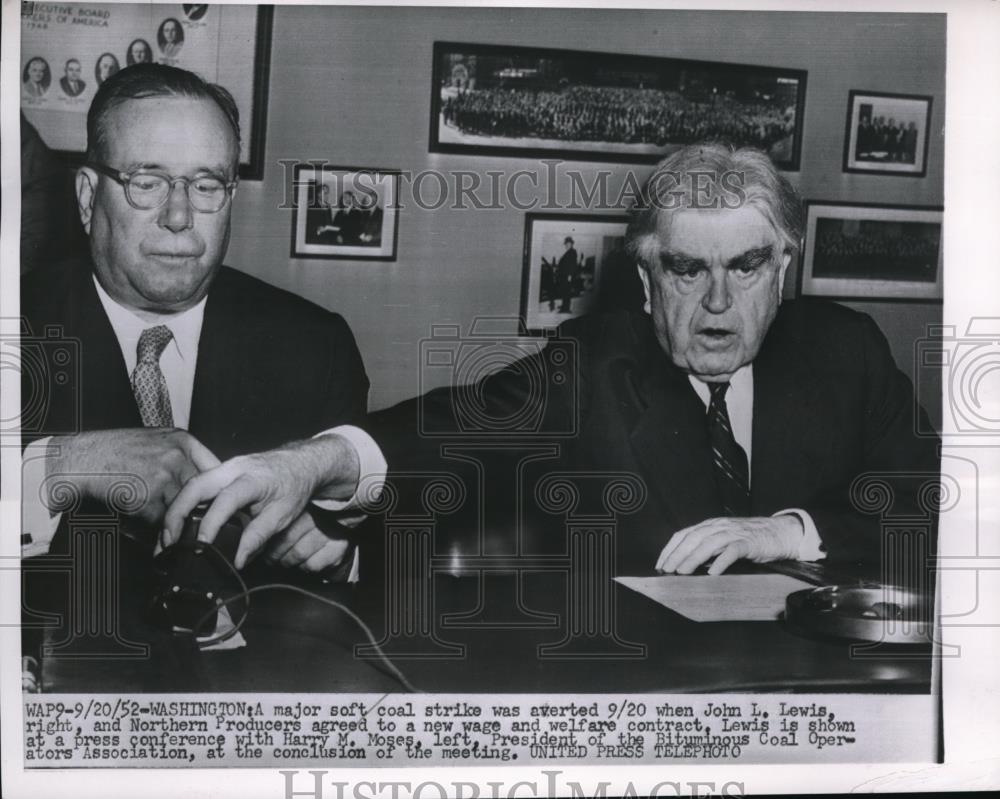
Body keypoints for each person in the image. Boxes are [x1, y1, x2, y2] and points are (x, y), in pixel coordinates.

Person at [165, 142, 939, 580]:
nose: (715, 304)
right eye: (685, 269)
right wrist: (318, 460)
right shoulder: (597, 363)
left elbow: (933, 503)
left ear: (783, 270)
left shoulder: (848, 351)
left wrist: (790, 530)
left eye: (744, 267)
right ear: (644, 280)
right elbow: (459, 428)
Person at [21, 64, 378, 576]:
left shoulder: (316, 346)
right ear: (86, 198)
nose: (179, 216)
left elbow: (372, 548)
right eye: (147, 181)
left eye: (206, 184)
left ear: (230, 199)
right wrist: (60, 467)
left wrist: (340, 548)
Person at [557, 236, 578, 313]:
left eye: (568, 243)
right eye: (566, 244)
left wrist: (570, 276)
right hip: (564, 276)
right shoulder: (568, 252)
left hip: (567, 276)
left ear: (572, 244)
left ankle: (566, 309)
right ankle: (564, 305)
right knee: (564, 291)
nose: (566, 245)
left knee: (566, 292)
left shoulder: (572, 252)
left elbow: (572, 265)